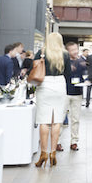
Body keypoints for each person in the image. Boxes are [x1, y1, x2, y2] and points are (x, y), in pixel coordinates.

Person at [34, 32, 71, 168]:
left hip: (45, 84)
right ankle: (53, 153)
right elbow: (68, 74)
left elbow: (34, 69)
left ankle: (43, 153)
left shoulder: (41, 53)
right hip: (60, 84)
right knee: (57, 121)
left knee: (44, 120)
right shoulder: (65, 54)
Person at [64, 41, 86, 151]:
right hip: (65, 92)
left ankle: (74, 141)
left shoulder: (82, 61)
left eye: (76, 49)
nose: (75, 52)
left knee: (75, 119)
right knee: (61, 118)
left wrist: (86, 78)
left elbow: (85, 75)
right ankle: (57, 142)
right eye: (72, 50)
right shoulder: (64, 62)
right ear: (67, 51)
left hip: (77, 93)